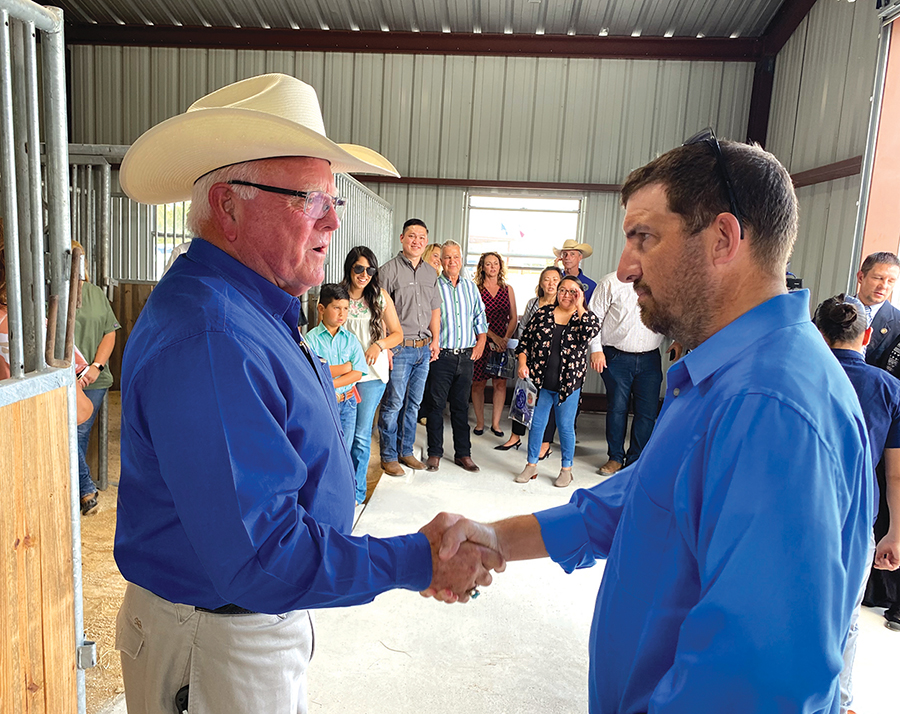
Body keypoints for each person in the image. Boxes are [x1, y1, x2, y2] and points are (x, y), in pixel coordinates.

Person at [426, 135, 873, 713]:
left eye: (645, 237)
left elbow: (754, 681)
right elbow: (630, 504)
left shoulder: (771, 407)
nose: (623, 265)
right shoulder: (722, 374)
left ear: (722, 239)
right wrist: (496, 538)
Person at [113, 73, 502, 714]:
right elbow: (262, 554)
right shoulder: (213, 336)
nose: (331, 220)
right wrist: (415, 561)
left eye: (333, 200)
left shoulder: (253, 305)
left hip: (235, 631)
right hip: (217, 643)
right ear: (228, 205)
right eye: (307, 199)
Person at [814, 294, 900, 714]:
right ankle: (839, 702)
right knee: (846, 616)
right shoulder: (888, 387)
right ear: (867, 334)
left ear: (817, 333)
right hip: (855, 520)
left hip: (798, 513)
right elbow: (896, 472)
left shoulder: (801, 375)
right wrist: (895, 533)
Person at [514, 275, 599, 488]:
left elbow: (591, 332)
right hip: (541, 383)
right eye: (563, 290)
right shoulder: (542, 314)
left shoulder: (585, 318)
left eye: (573, 291)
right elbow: (524, 343)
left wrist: (580, 306)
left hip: (568, 386)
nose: (566, 295)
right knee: (537, 425)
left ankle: (566, 470)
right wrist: (522, 363)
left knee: (565, 427)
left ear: (580, 294)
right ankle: (531, 465)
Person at [378, 219, 441, 476]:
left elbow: (434, 309)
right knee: (393, 403)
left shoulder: (430, 272)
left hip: (423, 348)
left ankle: (406, 451)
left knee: (413, 404)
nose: (416, 241)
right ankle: (389, 455)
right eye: (412, 236)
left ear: (426, 241)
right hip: (400, 348)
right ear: (402, 238)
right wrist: (387, 348)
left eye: (421, 237)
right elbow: (379, 311)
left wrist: (435, 340)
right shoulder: (387, 270)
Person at [340, 246, 403, 505]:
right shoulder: (338, 294)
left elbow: (397, 333)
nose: (364, 274)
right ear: (349, 268)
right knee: (341, 435)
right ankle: (340, 488)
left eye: (369, 269)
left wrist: (379, 345)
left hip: (371, 376)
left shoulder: (380, 297)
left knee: (361, 435)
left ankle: (356, 492)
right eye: (358, 268)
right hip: (342, 375)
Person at [588, 271, 665, 475]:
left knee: (647, 413)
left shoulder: (662, 281)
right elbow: (593, 318)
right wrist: (596, 350)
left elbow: (673, 313)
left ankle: (636, 460)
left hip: (650, 359)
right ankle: (615, 458)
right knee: (617, 409)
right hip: (616, 358)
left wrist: (679, 340)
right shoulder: (610, 283)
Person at [425, 240, 487, 473]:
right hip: (442, 356)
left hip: (466, 356)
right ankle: (435, 453)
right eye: (447, 257)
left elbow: (479, 315)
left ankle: (463, 454)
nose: (452, 262)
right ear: (441, 261)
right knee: (436, 405)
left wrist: (481, 340)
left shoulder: (470, 287)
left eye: (456, 257)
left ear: (462, 260)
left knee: (461, 407)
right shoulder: (433, 285)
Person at [72, 240, 121, 515]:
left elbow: (110, 332)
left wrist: (96, 367)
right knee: (72, 433)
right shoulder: (43, 295)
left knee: (78, 431)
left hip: (94, 379)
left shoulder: (94, 293)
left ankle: (85, 491)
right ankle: (85, 488)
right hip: (63, 378)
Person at [497, 266, 562, 459]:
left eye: (555, 279)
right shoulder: (533, 303)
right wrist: (526, 348)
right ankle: (516, 436)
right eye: (547, 279)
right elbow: (523, 326)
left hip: (553, 361)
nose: (551, 283)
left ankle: (545, 444)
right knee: (523, 396)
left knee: (547, 401)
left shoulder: (563, 304)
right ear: (541, 283)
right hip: (530, 358)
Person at [304, 283, 367, 452]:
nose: (342, 313)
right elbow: (314, 373)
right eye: (336, 307)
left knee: (345, 449)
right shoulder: (310, 341)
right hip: (324, 402)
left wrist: (330, 382)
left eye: (346, 308)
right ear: (321, 309)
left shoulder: (351, 340)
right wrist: (346, 367)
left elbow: (358, 373)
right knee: (324, 448)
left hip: (348, 402)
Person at [471, 251, 517, 438]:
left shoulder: (508, 289)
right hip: (481, 339)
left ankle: (496, 424)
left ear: (500, 266)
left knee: (500, 383)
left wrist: (504, 339)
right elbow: (473, 317)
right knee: (478, 383)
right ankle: (480, 422)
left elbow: (513, 317)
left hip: (503, 342)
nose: (492, 267)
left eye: (495, 263)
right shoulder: (475, 289)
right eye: (488, 264)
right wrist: (493, 337)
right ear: (482, 267)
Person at [855, 251, 900, 366]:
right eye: (878, 278)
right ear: (860, 277)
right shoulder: (831, 310)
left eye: (891, 281)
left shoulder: (898, 323)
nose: (884, 286)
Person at [554, 239, 597, 304]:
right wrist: (555, 273)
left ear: (580, 257)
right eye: (565, 254)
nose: (567, 257)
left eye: (572, 254)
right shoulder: (555, 282)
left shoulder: (591, 285)